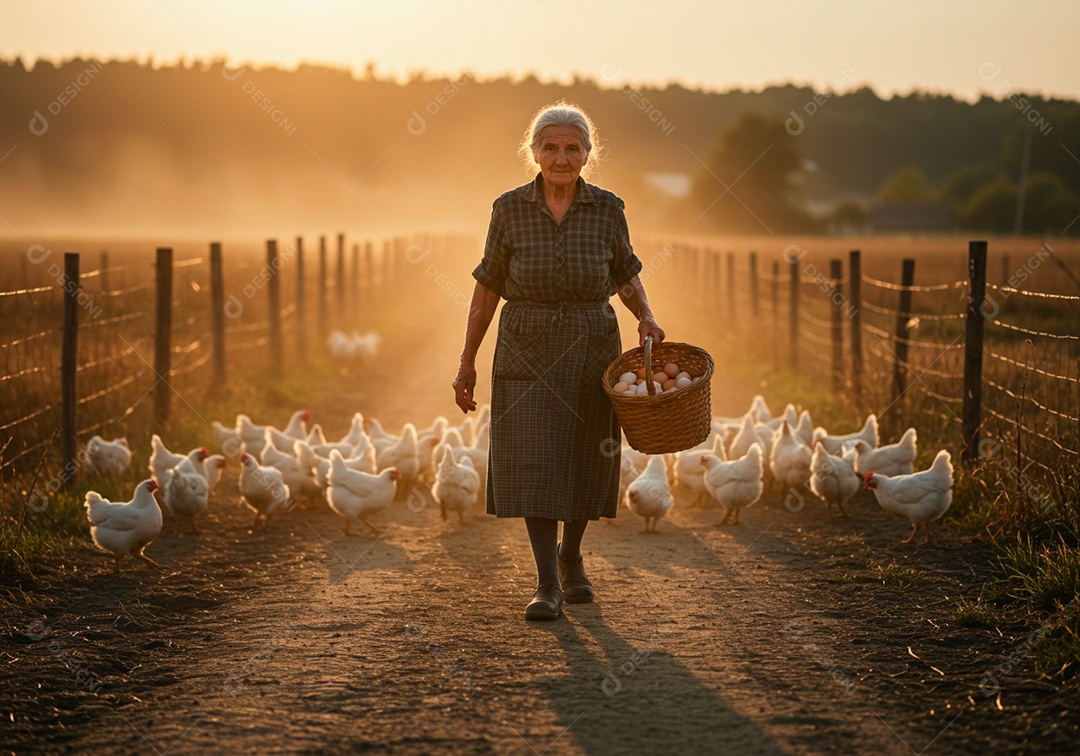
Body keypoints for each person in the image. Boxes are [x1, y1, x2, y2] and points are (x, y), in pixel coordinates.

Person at [452, 102, 665, 621]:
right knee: (534, 457)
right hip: (525, 344)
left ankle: (572, 555)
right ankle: (548, 582)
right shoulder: (509, 209)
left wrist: (646, 316)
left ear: (589, 153)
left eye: (573, 148)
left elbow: (625, 273)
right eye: (551, 147)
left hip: (592, 342)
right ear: (534, 152)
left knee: (584, 456)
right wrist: (467, 361)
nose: (562, 157)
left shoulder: (607, 208)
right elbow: (487, 289)